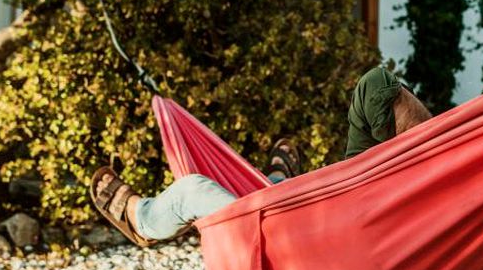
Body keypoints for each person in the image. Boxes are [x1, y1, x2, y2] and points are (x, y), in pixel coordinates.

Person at [90, 67, 433, 247]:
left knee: (191, 190)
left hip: (302, 241)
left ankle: (143, 219)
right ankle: (276, 184)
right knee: (376, 83)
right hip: (362, 193)